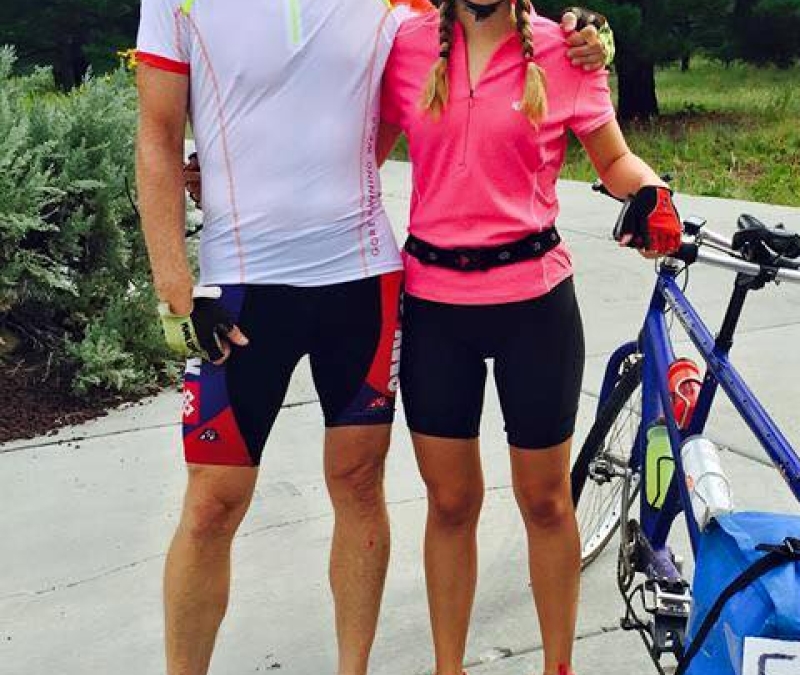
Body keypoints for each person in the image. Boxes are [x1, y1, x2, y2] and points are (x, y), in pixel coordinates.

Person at [133, 0, 610, 672]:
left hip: (360, 277)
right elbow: (155, 135)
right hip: (237, 288)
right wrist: (177, 291)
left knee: (358, 485)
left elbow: (478, 24)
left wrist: (581, 26)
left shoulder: (394, 3)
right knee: (212, 503)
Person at [375, 1, 682, 673]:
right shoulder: (403, 45)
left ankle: (558, 665)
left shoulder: (564, 51)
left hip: (534, 305)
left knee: (545, 500)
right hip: (435, 307)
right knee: (451, 501)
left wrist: (656, 198)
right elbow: (351, 156)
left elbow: (615, 161)